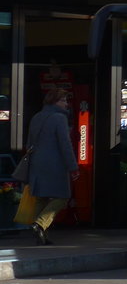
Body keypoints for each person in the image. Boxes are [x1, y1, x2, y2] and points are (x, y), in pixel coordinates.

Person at [24, 88, 79, 245]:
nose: (66, 104)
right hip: (54, 165)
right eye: (63, 100)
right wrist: (73, 167)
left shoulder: (36, 117)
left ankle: (41, 235)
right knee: (62, 197)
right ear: (54, 101)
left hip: (37, 163)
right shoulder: (59, 118)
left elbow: (29, 143)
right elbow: (65, 145)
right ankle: (40, 224)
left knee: (41, 197)